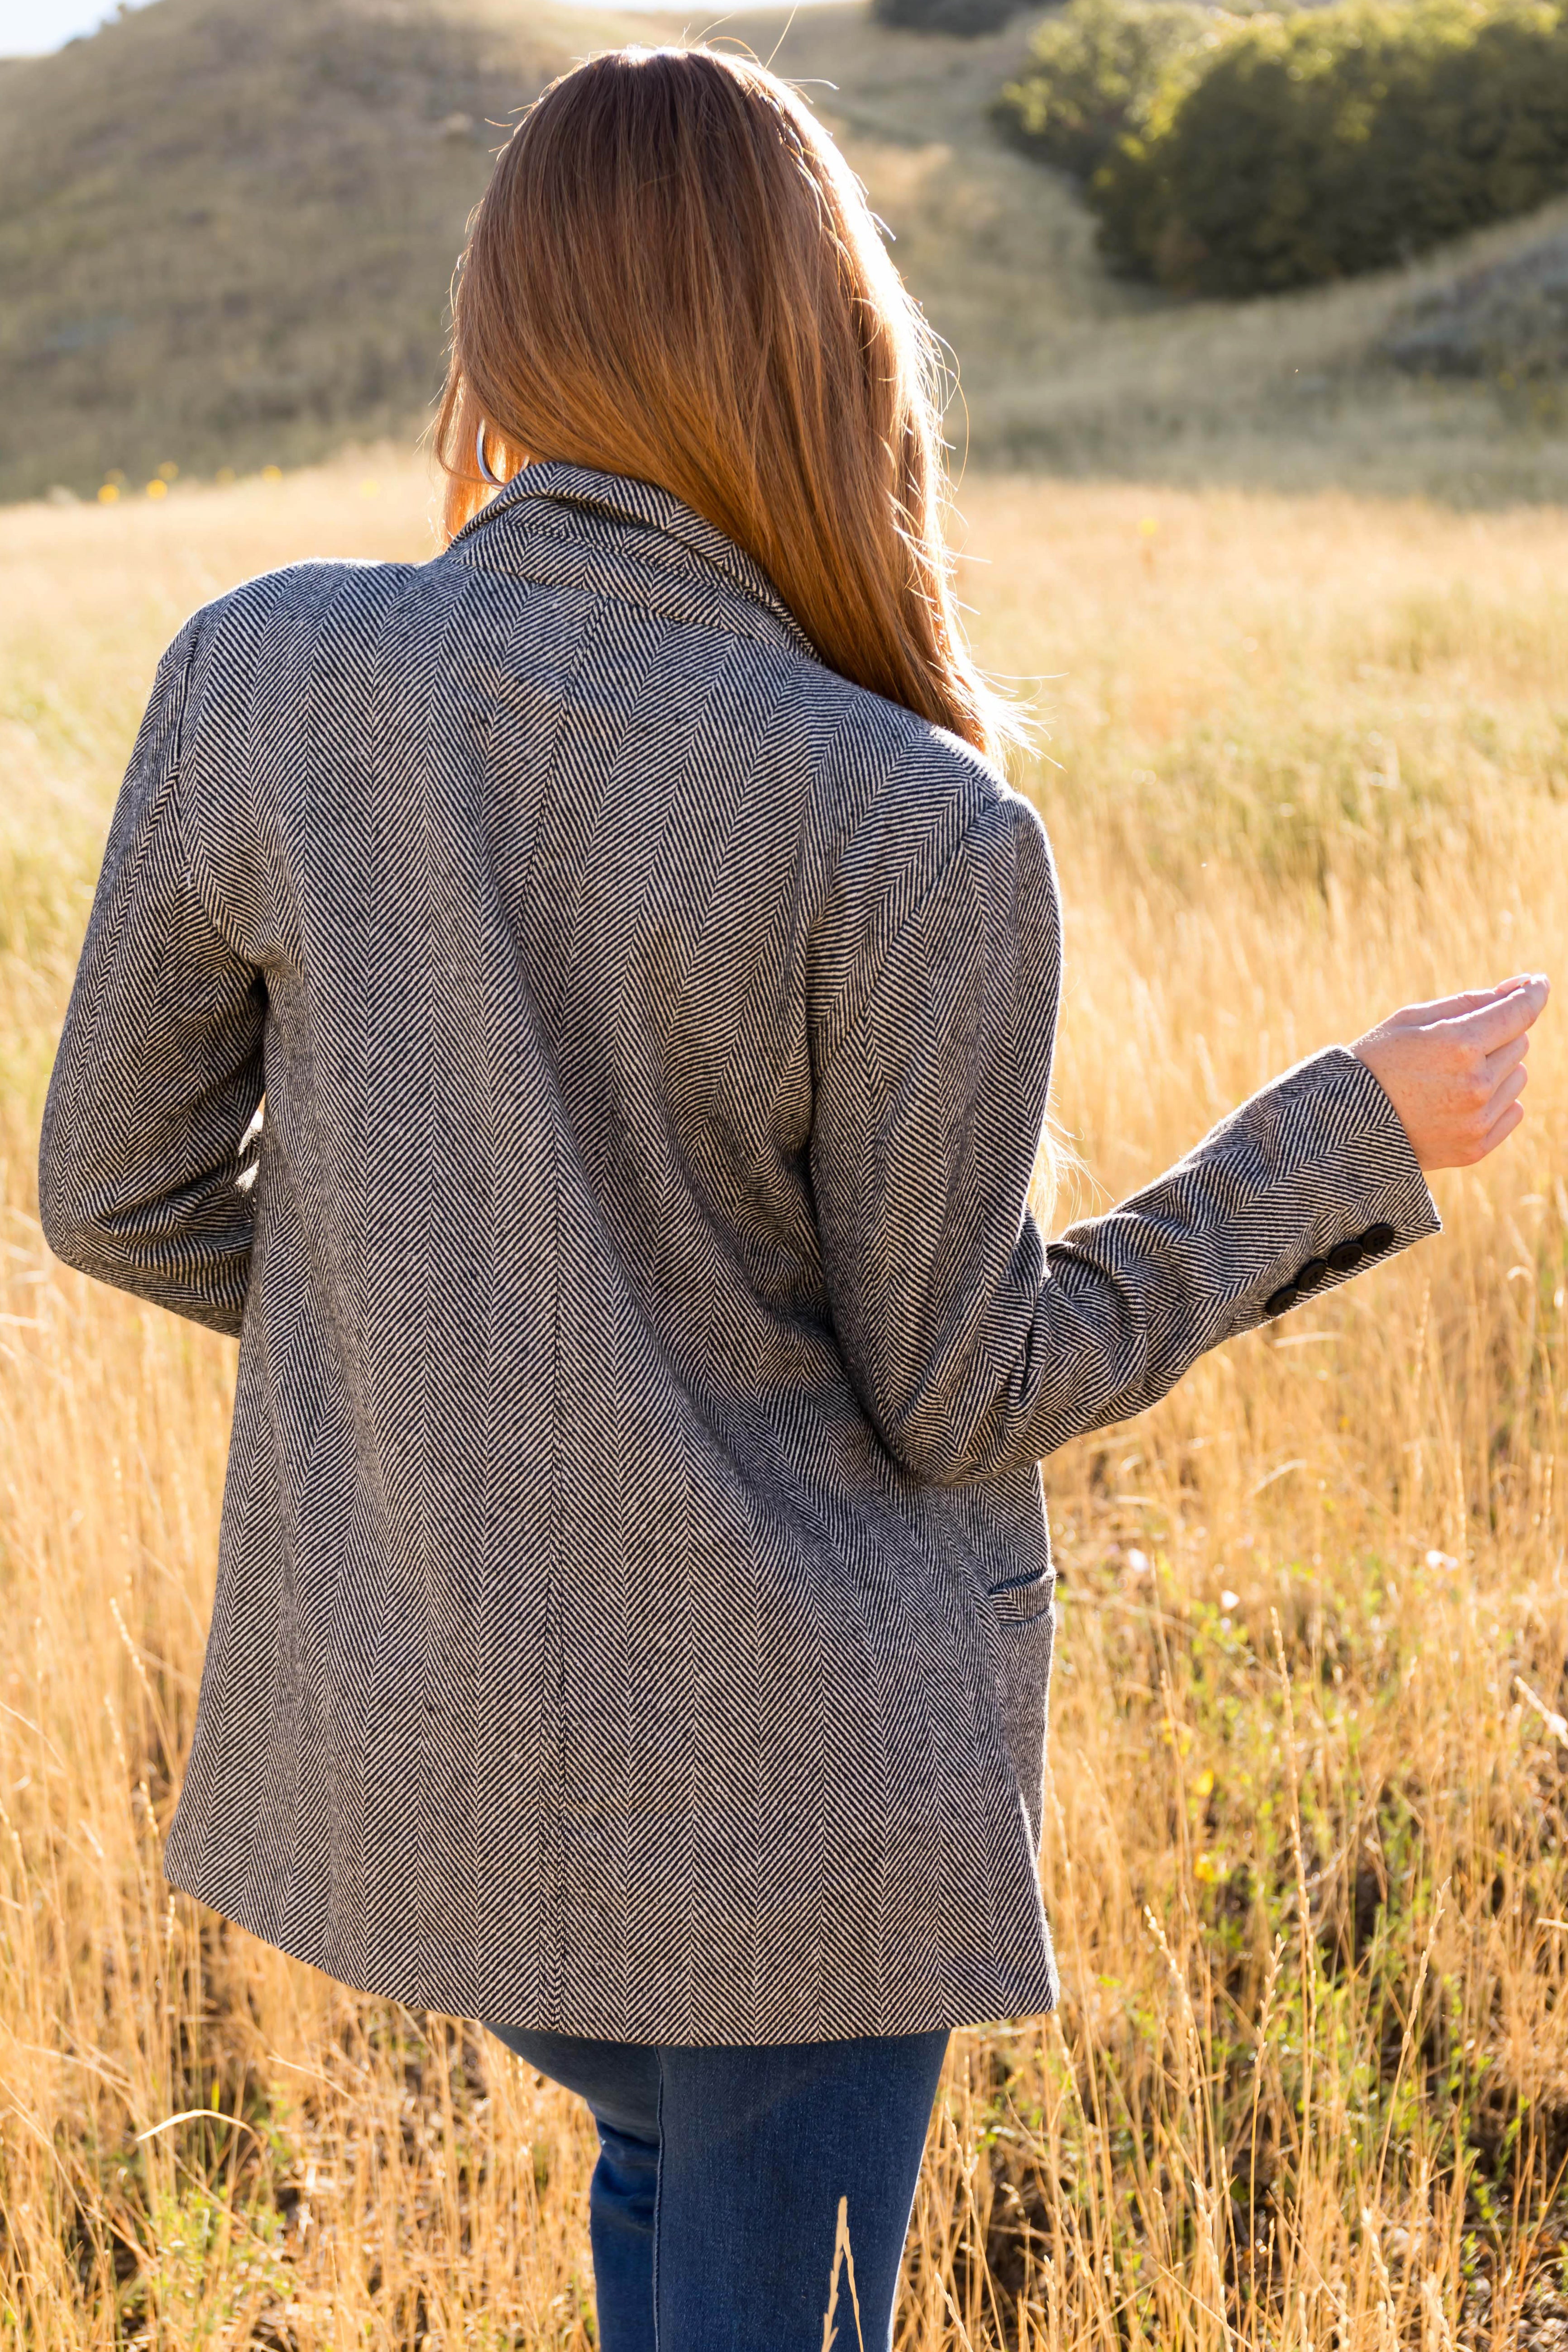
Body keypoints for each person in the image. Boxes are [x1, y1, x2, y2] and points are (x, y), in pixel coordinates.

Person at [38, 43, 1546, 2352]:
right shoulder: (908, 823)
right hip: (786, 1836)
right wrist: (1330, 1135)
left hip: (448, 1781)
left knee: (657, 2172)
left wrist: (458, 1312)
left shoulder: (264, 675)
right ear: (829, 344)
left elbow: (114, 1192)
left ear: (506, 321)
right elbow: (961, 1395)